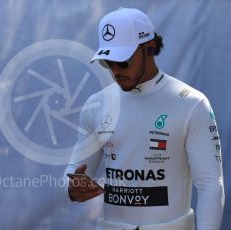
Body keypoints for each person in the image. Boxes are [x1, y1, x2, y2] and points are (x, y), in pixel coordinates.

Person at [65, 7, 224, 230]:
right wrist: (72, 187)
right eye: (108, 63)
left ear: (149, 49)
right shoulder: (97, 104)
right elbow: (76, 169)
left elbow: (210, 185)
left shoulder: (191, 102)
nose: (116, 71)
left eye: (123, 62)